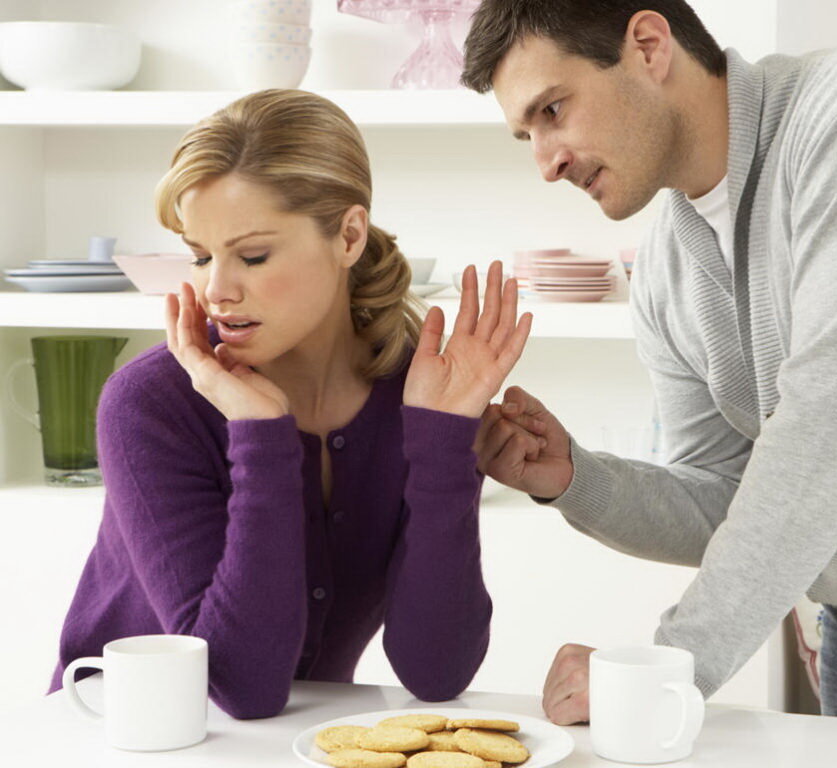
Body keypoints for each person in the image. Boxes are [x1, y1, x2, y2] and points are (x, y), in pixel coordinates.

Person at [463, 0, 837, 731]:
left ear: (648, 46)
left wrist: (668, 667)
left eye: (553, 110)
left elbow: (831, 429)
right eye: (527, 135)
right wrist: (577, 478)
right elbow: (726, 497)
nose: (547, 163)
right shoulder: (665, 268)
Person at [48, 89, 532, 719]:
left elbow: (436, 672)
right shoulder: (150, 404)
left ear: (349, 235)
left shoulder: (419, 392)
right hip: (114, 736)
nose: (216, 289)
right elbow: (238, 684)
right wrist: (261, 435)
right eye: (200, 256)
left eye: (252, 255)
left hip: (287, 744)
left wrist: (444, 443)